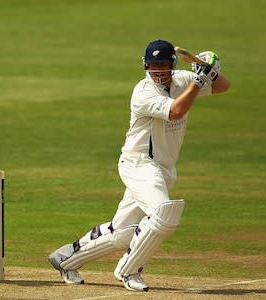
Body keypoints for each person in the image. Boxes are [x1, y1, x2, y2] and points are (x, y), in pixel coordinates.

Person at [48, 40, 230, 292]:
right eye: (152, 65)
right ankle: (128, 270)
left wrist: (209, 70)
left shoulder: (182, 79)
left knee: (122, 231)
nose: (157, 70)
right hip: (140, 164)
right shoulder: (143, 91)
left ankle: (65, 260)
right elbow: (176, 111)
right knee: (164, 214)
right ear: (145, 65)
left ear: (172, 65)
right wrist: (199, 81)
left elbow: (223, 87)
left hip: (164, 167)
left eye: (162, 65)